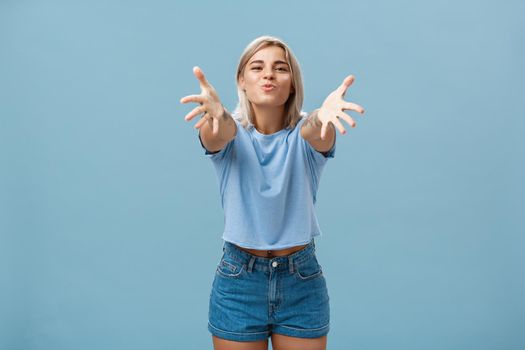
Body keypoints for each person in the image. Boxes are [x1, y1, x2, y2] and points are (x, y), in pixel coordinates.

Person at [180, 35, 365, 350]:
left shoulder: (307, 134)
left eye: (280, 68)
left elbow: (316, 130)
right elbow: (219, 133)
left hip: (301, 281)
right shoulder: (228, 133)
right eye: (257, 67)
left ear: (292, 83)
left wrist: (322, 115)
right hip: (239, 281)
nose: (268, 74)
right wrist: (220, 114)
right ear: (242, 80)